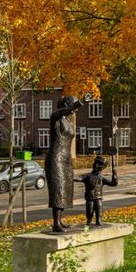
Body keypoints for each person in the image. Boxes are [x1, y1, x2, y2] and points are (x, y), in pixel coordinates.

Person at [45, 95, 83, 232]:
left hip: (66, 157)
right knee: (57, 188)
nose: (75, 110)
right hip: (56, 157)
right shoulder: (55, 116)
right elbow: (65, 110)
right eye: (73, 105)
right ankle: (56, 223)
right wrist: (80, 102)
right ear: (67, 104)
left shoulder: (67, 120)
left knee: (65, 188)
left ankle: (60, 220)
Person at [78, 154, 118, 227]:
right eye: (95, 163)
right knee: (89, 212)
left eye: (99, 164)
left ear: (102, 168)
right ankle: (89, 222)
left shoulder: (101, 178)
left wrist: (114, 175)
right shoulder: (87, 176)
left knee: (99, 210)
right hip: (90, 198)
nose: (96, 165)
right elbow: (78, 178)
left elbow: (113, 184)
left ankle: (98, 221)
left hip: (98, 198)